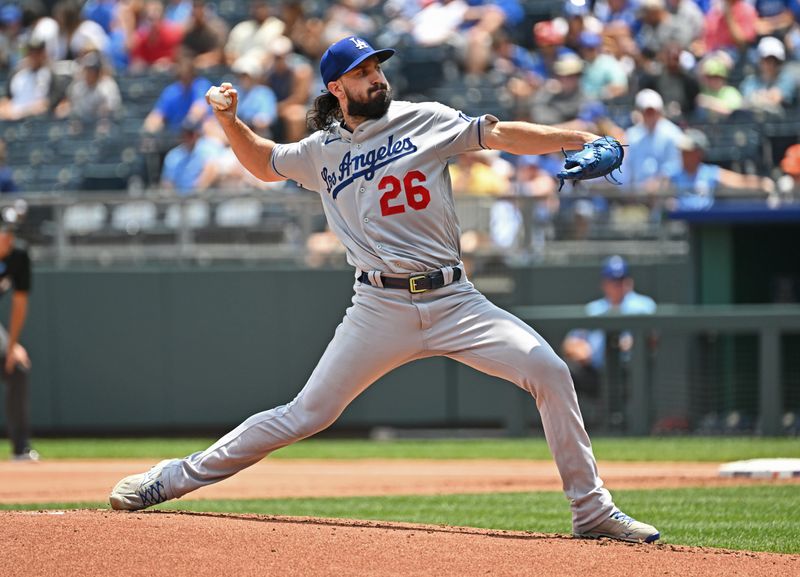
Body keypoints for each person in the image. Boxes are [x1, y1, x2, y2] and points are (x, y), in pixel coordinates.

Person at [109, 36, 660, 544]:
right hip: (378, 305)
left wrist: (580, 138)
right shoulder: (320, 151)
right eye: (361, 71)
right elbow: (264, 162)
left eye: (376, 66)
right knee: (307, 414)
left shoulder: (427, 119)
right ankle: (171, 479)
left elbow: (501, 134)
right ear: (336, 88)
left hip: (454, 298)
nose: (375, 77)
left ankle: (590, 510)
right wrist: (229, 121)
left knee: (549, 371)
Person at [561, 256, 656, 429]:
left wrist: (635, 344)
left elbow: (653, 337)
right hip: (596, 372)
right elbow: (570, 342)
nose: (617, 285)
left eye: (621, 280)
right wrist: (579, 349)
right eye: (613, 281)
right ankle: (572, 427)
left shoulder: (643, 305)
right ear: (604, 283)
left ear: (629, 281)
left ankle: (637, 427)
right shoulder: (594, 309)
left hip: (629, 372)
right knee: (566, 371)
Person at [666, 128, 774, 211]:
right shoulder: (673, 173)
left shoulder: (709, 172)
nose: (683, 155)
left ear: (699, 153)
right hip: (678, 225)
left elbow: (739, 181)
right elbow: (653, 188)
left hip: (704, 222)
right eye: (682, 152)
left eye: (688, 152)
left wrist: (762, 183)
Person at [0, 220, 36, 461]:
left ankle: (20, 448)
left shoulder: (18, 256)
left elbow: (20, 304)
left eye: (8, 233)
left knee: (18, 368)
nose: (6, 239)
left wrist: (12, 347)